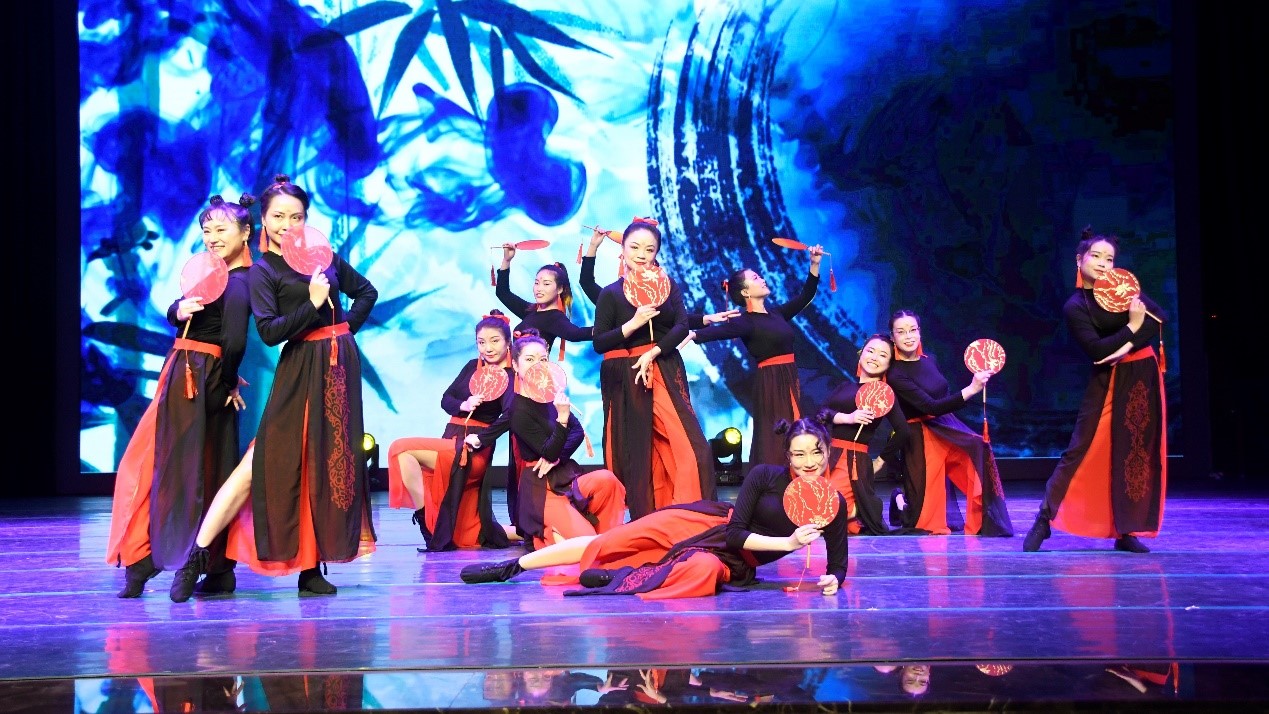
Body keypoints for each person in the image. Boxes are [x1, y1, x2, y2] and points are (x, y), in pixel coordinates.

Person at [168, 174, 379, 601]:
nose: (287, 225)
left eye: (296, 216)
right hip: (299, 370)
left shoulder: (324, 256)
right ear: (263, 221)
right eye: (278, 217)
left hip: (338, 370)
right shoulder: (264, 271)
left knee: (322, 466)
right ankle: (198, 555)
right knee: (258, 464)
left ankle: (311, 571)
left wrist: (342, 332)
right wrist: (314, 305)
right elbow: (269, 332)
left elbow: (366, 293)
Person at [459, 415, 847, 600]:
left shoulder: (833, 505)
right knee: (617, 539)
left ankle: (616, 578)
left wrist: (833, 579)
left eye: (816, 453)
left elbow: (838, 564)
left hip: (734, 561)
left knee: (702, 574)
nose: (809, 462)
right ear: (787, 456)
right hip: (705, 525)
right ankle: (512, 567)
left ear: (828, 452)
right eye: (799, 454)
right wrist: (788, 543)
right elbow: (734, 532)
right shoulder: (764, 476)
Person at [105, 194, 255, 598]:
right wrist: (177, 311)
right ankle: (203, 565)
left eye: (221, 229)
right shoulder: (213, 271)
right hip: (188, 370)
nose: (212, 237)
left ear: (245, 232)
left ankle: (155, 560)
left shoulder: (241, 281)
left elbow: (234, 340)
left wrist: (226, 380)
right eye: (207, 230)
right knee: (195, 464)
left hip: (199, 375)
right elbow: (184, 310)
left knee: (183, 467)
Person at [1022, 227, 1167, 553]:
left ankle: (1126, 530)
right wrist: (1131, 328)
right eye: (1096, 256)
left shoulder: (1124, 287)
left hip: (1142, 376)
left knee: (1134, 451)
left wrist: (1123, 345)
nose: (1103, 263)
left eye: (1109, 258)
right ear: (1079, 260)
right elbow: (1097, 350)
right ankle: (1045, 518)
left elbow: (1158, 319)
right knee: (1079, 449)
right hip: (1108, 379)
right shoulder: (1076, 305)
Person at [590, 218, 716, 520]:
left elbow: (681, 325)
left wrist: (655, 352)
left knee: (690, 446)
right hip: (631, 373)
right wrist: (633, 324)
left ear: (657, 252)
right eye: (635, 247)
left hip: (665, 366)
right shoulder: (612, 293)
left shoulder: (668, 287)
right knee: (642, 452)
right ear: (623, 249)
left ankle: (692, 516)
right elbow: (599, 342)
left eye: (649, 249)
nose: (641, 254)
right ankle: (651, 518)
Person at [465, 330, 626, 550]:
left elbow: (577, 433)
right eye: (529, 360)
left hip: (564, 476)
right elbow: (548, 450)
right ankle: (558, 536)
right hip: (541, 486)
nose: (537, 366)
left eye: (542, 360)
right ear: (516, 366)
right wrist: (561, 421)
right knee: (584, 544)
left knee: (607, 480)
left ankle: (607, 542)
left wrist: (557, 458)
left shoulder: (550, 398)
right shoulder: (518, 408)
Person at [385, 311, 519, 551]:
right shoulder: (472, 367)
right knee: (470, 533)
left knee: (400, 448)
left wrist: (481, 439)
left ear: (508, 342)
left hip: (471, 451)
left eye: (494, 341)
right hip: (451, 438)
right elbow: (446, 399)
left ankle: (426, 525)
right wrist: (464, 404)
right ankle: (529, 532)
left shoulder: (511, 376)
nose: (488, 348)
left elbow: (510, 416)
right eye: (481, 342)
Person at [684, 246, 823, 465]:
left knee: (795, 427)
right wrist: (692, 335)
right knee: (779, 431)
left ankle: (796, 471)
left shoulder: (776, 314)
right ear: (745, 292)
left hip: (789, 376)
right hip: (771, 380)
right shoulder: (745, 321)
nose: (762, 279)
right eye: (756, 278)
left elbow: (805, 296)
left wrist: (814, 264)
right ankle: (775, 475)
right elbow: (718, 332)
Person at [887, 309, 1014, 536]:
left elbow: (942, 397)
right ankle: (900, 499)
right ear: (893, 337)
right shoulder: (896, 374)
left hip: (946, 426)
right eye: (901, 332)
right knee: (925, 523)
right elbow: (930, 407)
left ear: (920, 332)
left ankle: (984, 519)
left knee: (977, 448)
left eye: (913, 330)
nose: (908, 336)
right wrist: (972, 389)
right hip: (921, 436)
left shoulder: (928, 360)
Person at [816, 334, 910, 535]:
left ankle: (866, 509)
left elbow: (903, 431)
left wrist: (880, 461)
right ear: (861, 354)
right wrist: (848, 418)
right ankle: (857, 513)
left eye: (883, 355)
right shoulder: (845, 387)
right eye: (870, 351)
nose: (874, 357)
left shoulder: (884, 395)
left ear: (889, 364)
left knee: (824, 512)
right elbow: (821, 415)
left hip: (852, 460)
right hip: (826, 456)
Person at [495, 246, 593, 360]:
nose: (539, 289)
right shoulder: (530, 311)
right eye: (537, 283)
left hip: (536, 370)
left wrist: (607, 327)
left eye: (546, 284)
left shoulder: (555, 318)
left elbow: (576, 334)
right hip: (517, 369)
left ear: (560, 289)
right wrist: (506, 260)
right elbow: (503, 293)